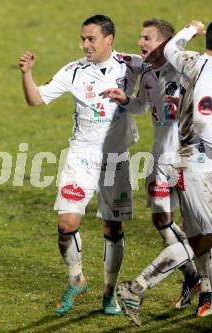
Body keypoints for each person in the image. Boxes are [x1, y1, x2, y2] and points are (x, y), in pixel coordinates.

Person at [19, 14, 142, 315]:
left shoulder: (132, 64)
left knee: (112, 227)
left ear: (109, 39)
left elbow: (163, 69)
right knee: (66, 223)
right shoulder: (74, 71)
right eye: (83, 39)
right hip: (81, 156)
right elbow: (35, 99)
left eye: (91, 39)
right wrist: (26, 73)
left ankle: (109, 294)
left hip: (115, 158)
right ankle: (76, 280)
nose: (85, 44)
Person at [101, 19, 212, 325]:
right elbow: (141, 105)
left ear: (165, 43)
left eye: (147, 38)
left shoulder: (184, 66)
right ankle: (192, 278)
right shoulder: (148, 73)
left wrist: (191, 29)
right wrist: (126, 100)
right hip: (159, 157)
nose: (141, 42)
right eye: (140, 37)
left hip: (187, 158)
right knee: (161, 220)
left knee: (194, 227)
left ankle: (208, 289)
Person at [162, 18, 212, 333]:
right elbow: (206, 128)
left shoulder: (192, 60)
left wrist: (190, 29)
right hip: (201, 167)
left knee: (204, 238)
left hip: (186, 165)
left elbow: (169, 49)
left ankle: (205, 290)